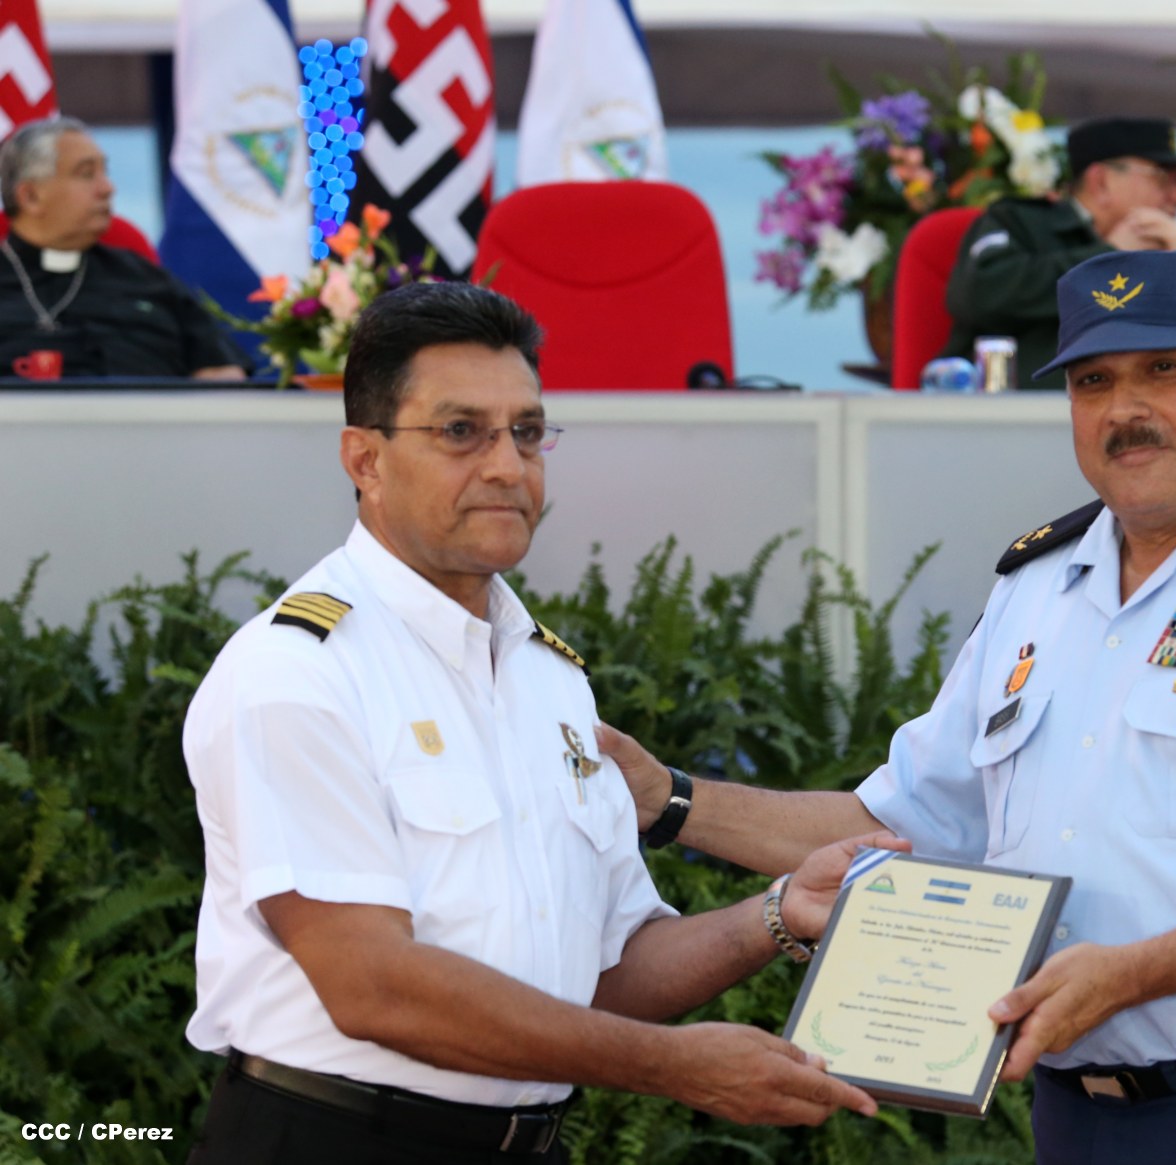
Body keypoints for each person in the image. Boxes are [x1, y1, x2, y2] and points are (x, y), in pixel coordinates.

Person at [604, 249, 1176, 1164]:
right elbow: (903, 827)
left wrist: (1136, 974)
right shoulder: (1039, 585)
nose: (1125, 408)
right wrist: (669, 800)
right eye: (1092, 381)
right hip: (1080, 1119)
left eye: (1165, 370)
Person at [181, 280, 887, 1165]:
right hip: (334, 1139)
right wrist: (673, 1067)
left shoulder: (548, 676)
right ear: (365, 459)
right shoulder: (299, 670)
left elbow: (604, 972)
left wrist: (777, 912)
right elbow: (373, 986)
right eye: (460, 431)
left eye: (526, 431)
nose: (508, 467)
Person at [937, 116, 1176, 388]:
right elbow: (979, 293)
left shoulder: (1161, 254)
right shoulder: (1019, 221)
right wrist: (1108, 257)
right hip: (1016, 408)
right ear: (1101, 182)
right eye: (1162, 178)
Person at [0, 117, 247, 379]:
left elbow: (223, 373)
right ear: (30, 196)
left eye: (105, 173)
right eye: (86, 174)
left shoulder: (149, 281)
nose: (107, 188)